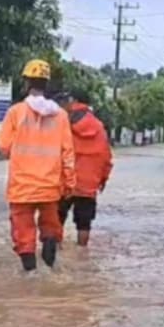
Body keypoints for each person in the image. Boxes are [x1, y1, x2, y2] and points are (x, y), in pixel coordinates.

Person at [0, 59, 76, 272]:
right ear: (47, 85)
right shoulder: (60, 116)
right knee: (51, 229)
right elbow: (68, 153)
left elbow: (4, 147)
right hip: (50, 186)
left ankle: (30, 274)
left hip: (21, 187)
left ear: (26, 83)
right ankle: (49, 264)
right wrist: (69, 184)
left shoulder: (15, 112)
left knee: (24, 233)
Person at [54, 90, 113, 247]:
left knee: (56, 219)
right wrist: (103, 179)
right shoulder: (100, 128)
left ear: (73, 101)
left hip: (64, 181)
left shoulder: (63, 123)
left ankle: (54, 254)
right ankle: (82, 254)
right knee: (84, 223)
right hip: (89, 184)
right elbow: (106, 157)